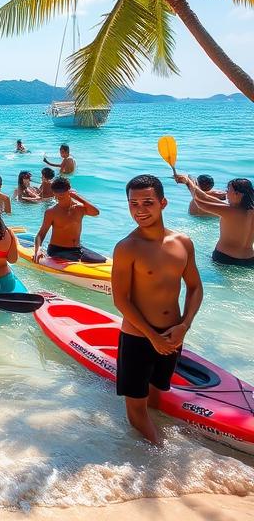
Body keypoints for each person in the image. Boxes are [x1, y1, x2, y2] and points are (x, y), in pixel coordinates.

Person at [112, 174, 203, 446]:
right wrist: (152, 337)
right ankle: (160, 454)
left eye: (147, 202)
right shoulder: (127, 247)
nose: (140, 210)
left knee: (156, 395)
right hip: (139, 338)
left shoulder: (183, 242)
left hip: (173, 336)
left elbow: (195, 287)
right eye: (133, 203)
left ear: (163, 203)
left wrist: (184, 326)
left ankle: (158, 439)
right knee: (136, 410)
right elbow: (121, 300)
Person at [175, 175, 254, 266]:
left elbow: (201, 202)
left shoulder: (229, 211)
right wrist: (191, 182)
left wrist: (188, 183)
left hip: (225, 259)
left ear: (237, 194)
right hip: (250, 260)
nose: (226, 193)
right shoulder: (245, 210)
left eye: (228, 190)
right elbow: (205, 197)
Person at [34, 177, 105, 263]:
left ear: (69, 190)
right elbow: (41, 234)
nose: (59, 195)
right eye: (56, 192)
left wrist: (77, 197)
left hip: (77, 249)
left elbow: (96, 212)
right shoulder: (51, 212)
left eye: (62, 191)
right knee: (79, 260)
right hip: (57, 250)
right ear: (53, 192)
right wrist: (38, 250)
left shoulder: (79, 208)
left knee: (101, 260)